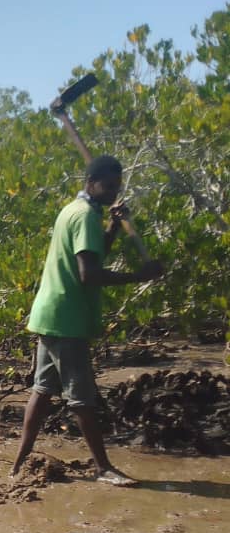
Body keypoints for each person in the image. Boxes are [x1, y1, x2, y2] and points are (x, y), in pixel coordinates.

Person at [11, 155, 165, 485]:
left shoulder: (75, 210)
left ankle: (18, 461)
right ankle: (103, 468)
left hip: (50, 314)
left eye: (116, 187)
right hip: (67, 320)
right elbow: (89, 274)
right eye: (107, 186)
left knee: (42, 390)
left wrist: (112, 227)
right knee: (81, 399)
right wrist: (139, 276)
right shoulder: (84, 217)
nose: (113, 193)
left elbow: (93, 254)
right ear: (90, 183)